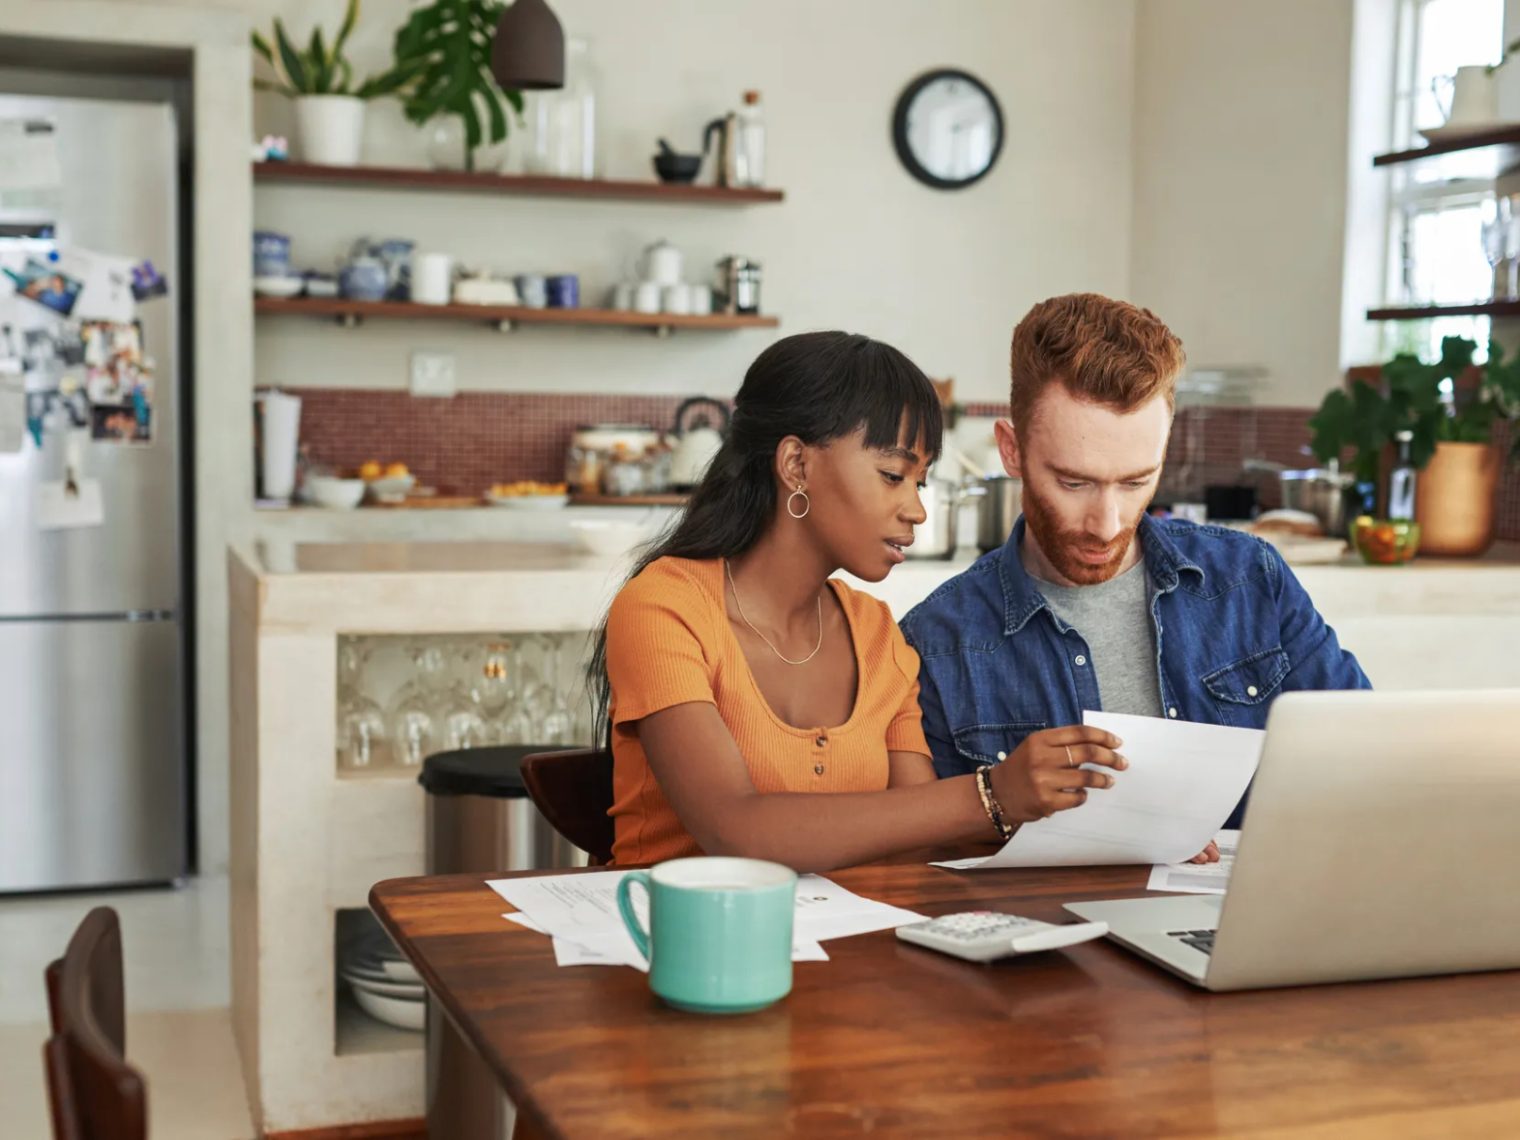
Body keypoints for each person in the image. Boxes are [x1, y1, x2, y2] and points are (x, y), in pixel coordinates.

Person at [590, 331, 1127, 872]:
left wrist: (1121, 835)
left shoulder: (877, 634)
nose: (916, 509)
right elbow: (735, 831)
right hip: (673, 944)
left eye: (920, 481)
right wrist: (993, 794)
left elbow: (920, 840)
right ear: (796, 465)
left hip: (849, 950)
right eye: (893, 475)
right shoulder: (665, 607)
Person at [900, 294, 1371, 845]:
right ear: (1011, 450)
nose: (1107, 523)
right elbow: (936, 868)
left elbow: (1361, 759)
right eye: (1074, 483)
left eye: (1134, 482)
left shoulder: (1250, 579)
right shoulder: (936, 642)